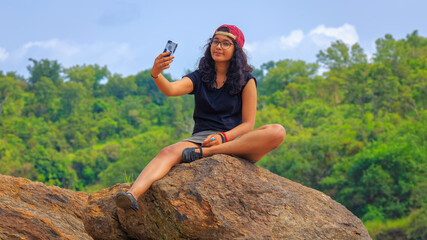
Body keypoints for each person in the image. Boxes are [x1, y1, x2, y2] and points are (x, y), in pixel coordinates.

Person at [115, 24, 286, 211]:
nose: (219, 47)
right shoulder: (200, 77)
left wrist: (223, 138)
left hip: (235, 142)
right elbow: (171, 90)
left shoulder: (247, 81)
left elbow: (248, 124)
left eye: (226, 43)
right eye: (216, 42)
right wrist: (156, 73)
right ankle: (132, 195)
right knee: (167, 152)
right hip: (202, 140)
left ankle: (206, 155)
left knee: (277, 131)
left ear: (236, 50)